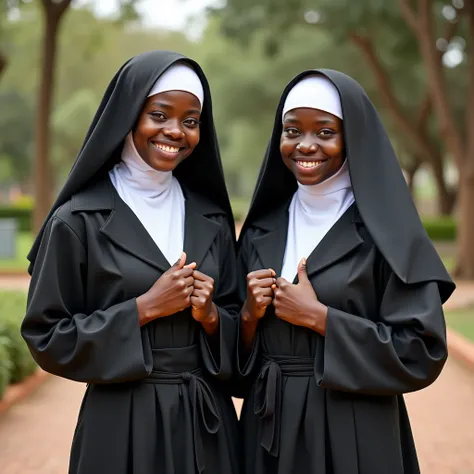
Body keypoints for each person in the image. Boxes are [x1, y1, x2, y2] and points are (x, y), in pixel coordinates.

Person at [22, 51, 239, 474]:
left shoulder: (211, 219)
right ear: (128, 115)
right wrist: (144, 309)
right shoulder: (77, 221)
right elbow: (46, 336)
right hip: (118, 424)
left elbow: (241, 326)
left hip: (206, 425)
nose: (175, 131)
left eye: (191, 121)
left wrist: (211, 316)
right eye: (159, 115)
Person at [235, 70, 455, 474]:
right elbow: (230, 365)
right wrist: (248, 315)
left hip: (356, 428)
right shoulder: (260, 231)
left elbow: (421, 351)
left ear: (351, 137)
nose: (305, 144)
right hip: (268, 430)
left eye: (324, 132)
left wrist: (321, 319)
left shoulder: (386, 234)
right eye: (292, 130)